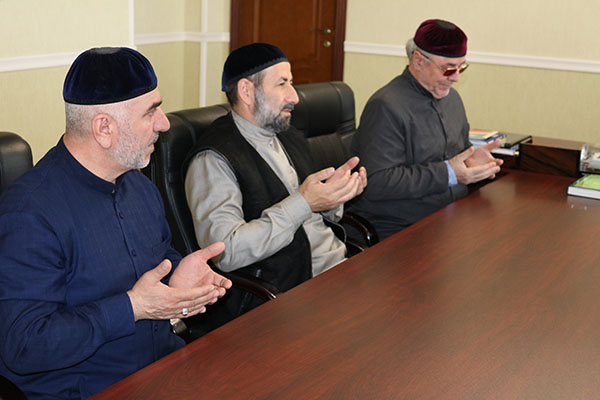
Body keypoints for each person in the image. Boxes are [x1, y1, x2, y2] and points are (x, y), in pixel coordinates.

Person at [0, 47, 232, 400]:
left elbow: (156, 258)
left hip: (164, 370)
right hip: (88, 390)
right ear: (104, 128)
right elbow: (24, 345)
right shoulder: (29, 214)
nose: (164, 123)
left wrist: (177, 274)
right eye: (150, 112)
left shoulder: (138, 184)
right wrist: (133, 307)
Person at [184, 43, 367, 316]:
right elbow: (225, 251)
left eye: (291, 83)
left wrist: (334, 195)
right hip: (288, 297)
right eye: (282, 84)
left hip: (339, 271)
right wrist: (304, 202)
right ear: (246, 91)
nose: (294, 96)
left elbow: (315, 214)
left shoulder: (288, 135)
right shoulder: (213, 159)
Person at [349, 19, 503, 240]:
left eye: (461, 67)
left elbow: (455, 158)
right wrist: (449, 173)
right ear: (419, 60)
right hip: (400, 226)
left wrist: (472, 162)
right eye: (448, 69)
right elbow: (378, 182)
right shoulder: (386, 105)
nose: (456, 78)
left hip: (449, 217)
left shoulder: (452, 99)